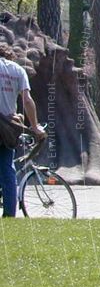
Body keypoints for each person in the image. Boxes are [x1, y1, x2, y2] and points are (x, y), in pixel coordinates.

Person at [0, 44, 46, 217]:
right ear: (10, 56)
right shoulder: (18, 70)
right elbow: (27, 100)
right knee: (7, 169)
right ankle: (10, 213)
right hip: (7, 127)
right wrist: (35, 127)